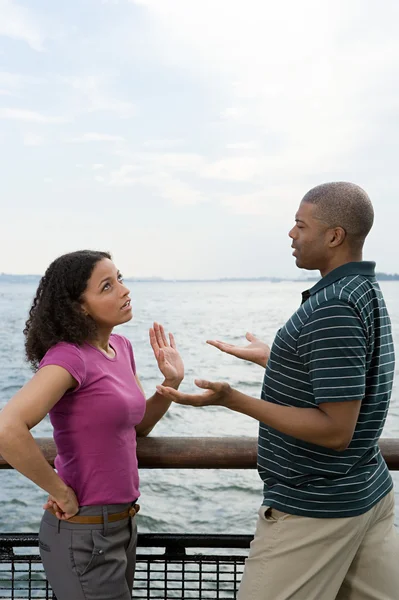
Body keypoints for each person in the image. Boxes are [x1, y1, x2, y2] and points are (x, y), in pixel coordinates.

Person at [157, 182, 399, 600]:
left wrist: (234, 400)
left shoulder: (334, 306)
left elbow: (335, 430)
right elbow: (351, 375)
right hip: (365, 492)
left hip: (316, 508)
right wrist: (276, 358)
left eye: (300, 225)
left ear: (334, 236)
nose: (291, 234)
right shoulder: (362, 290)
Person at [0, 250, 184, 600]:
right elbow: (7, 429)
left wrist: (172, 382)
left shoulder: (121, 346)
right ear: (80, 307)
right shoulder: (69, 357)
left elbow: (136, 426)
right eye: (107, 286)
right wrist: (59, 491)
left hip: (123, 526)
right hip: (84, 532)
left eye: (120, 278)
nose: (124, 290)